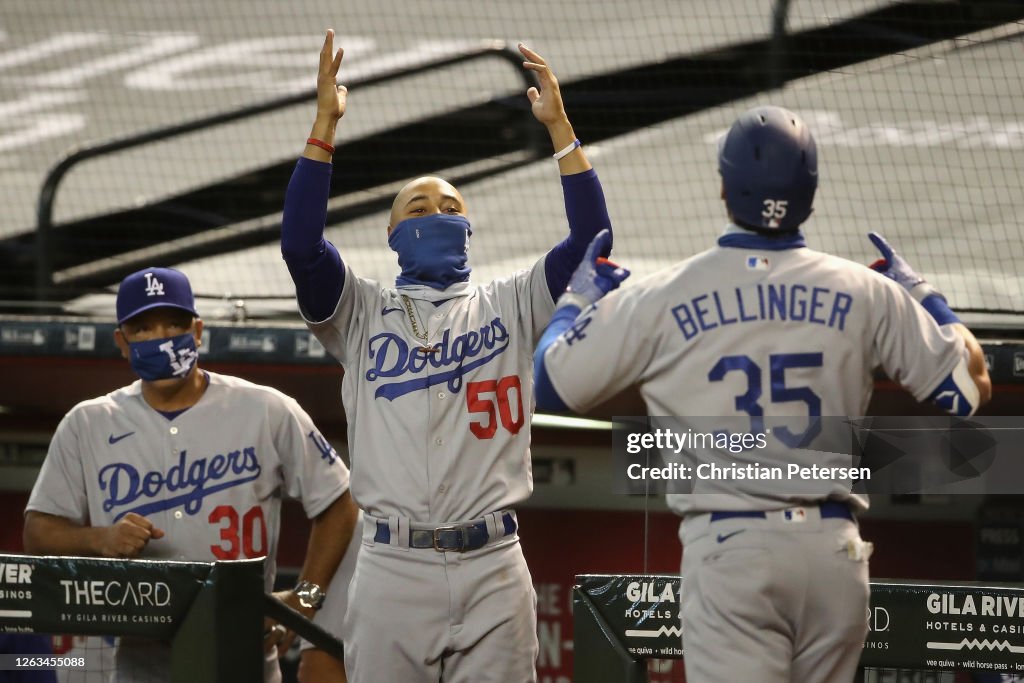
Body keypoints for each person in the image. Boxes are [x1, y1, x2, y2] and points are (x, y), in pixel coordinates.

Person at [533, 106, 992, 683]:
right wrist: (925, 296)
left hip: (733, 549)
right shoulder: (867, 290)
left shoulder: (661, 294)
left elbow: (549, 388)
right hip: (833, 553)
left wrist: (576, 302)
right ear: (810, 193)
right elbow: (967, 392)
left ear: (725, 189)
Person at [280, 29, 613, 683]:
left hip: (492, 563)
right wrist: (324, 127)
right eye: (420, 205)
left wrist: (561, 130)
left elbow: (591, 241)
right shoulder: (360, 311)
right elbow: (301, 247)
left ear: (470, 228)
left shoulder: (511, 302)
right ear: (394, 233)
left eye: (452, 206)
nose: (438, 211)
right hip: (392, 566)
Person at [23, 267, 360, 683]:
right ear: (122, 343)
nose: (161, 337)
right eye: (143, 327)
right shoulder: (87, 423)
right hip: (136, 661)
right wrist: (99, 538)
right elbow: (38, 530)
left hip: (242, 655)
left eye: (174, 324)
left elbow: (339, 501)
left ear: (198, 331)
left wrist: (305, 600)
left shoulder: (266, 409)